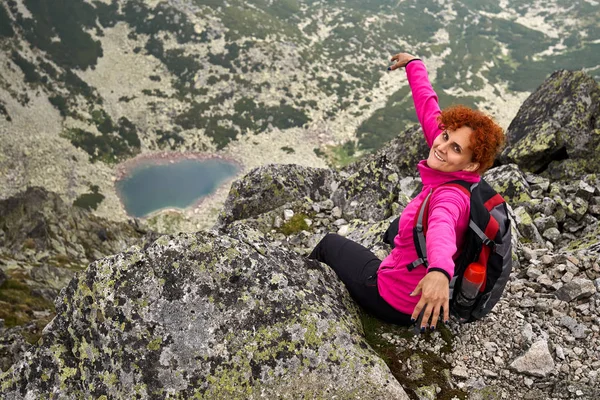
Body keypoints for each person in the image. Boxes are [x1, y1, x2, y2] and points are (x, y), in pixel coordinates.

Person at [308, 53, 505, 332]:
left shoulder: (449, 197)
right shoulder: (459, 173)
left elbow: (441, 229)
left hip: (396, 302)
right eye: (446, 135)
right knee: (395, 227)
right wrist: (415, 65)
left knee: (329, 243)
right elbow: (429, 109)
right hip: (418, 298)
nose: (442, 146)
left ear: (473, 163)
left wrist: (439, 272)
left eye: (456, 148)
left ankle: (299, 291)